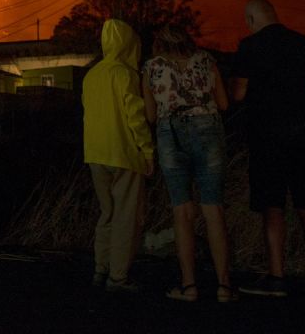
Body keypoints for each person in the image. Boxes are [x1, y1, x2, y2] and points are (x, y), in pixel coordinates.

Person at [233, 0, 305, 297]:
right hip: (303, 134)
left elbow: (239, 93)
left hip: (267, 136)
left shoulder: (249, 47)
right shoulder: (303, 43)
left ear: (251, 20)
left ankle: (277, 278)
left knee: (272, 208)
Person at [143, 26, 235, 303]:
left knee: (182, 211)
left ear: (158, 42)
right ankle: (224, 287)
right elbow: (223, 103)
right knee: (213, 209)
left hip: (170, 133)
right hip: (207, 130)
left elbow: (150, 114)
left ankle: (189, 286)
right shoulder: (206, 60)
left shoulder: (151, 67)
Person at [82, 18, 154, 293]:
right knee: (127, 217)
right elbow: (136, 118)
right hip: (123, 155)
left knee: (107, 213)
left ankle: (101, 269)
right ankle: (119, 277)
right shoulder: (125, 75)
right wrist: (147, 152)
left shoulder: (92, 75)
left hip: (95, 155)